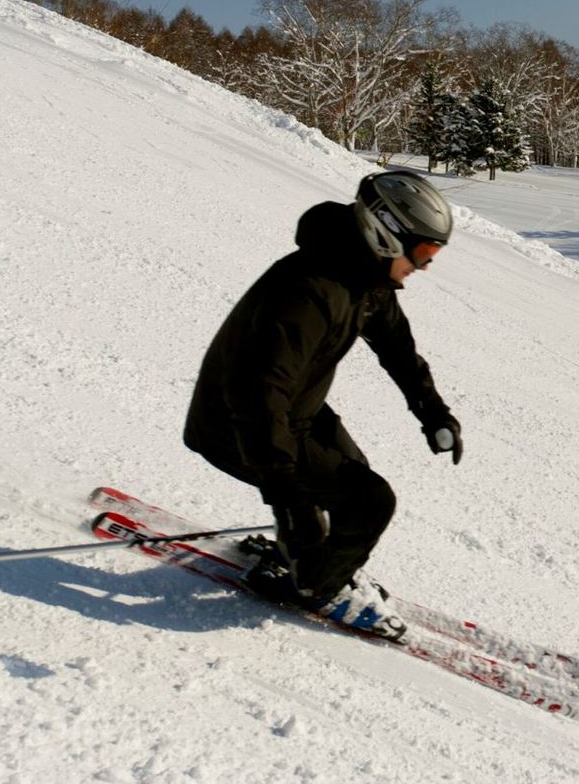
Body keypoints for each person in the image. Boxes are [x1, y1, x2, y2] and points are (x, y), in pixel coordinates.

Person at [183, 170, 462, 640]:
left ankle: (313, 561)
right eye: (425, 252)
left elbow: (396, 345)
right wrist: (284, 490)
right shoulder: (309, 292)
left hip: (295, 413)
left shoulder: (362, 277)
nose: (426, 266)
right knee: (370, 502)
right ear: (386, 234)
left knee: (353, 479)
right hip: (238, 424)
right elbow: (258, 393)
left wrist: (432, 411)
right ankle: (316, 585)